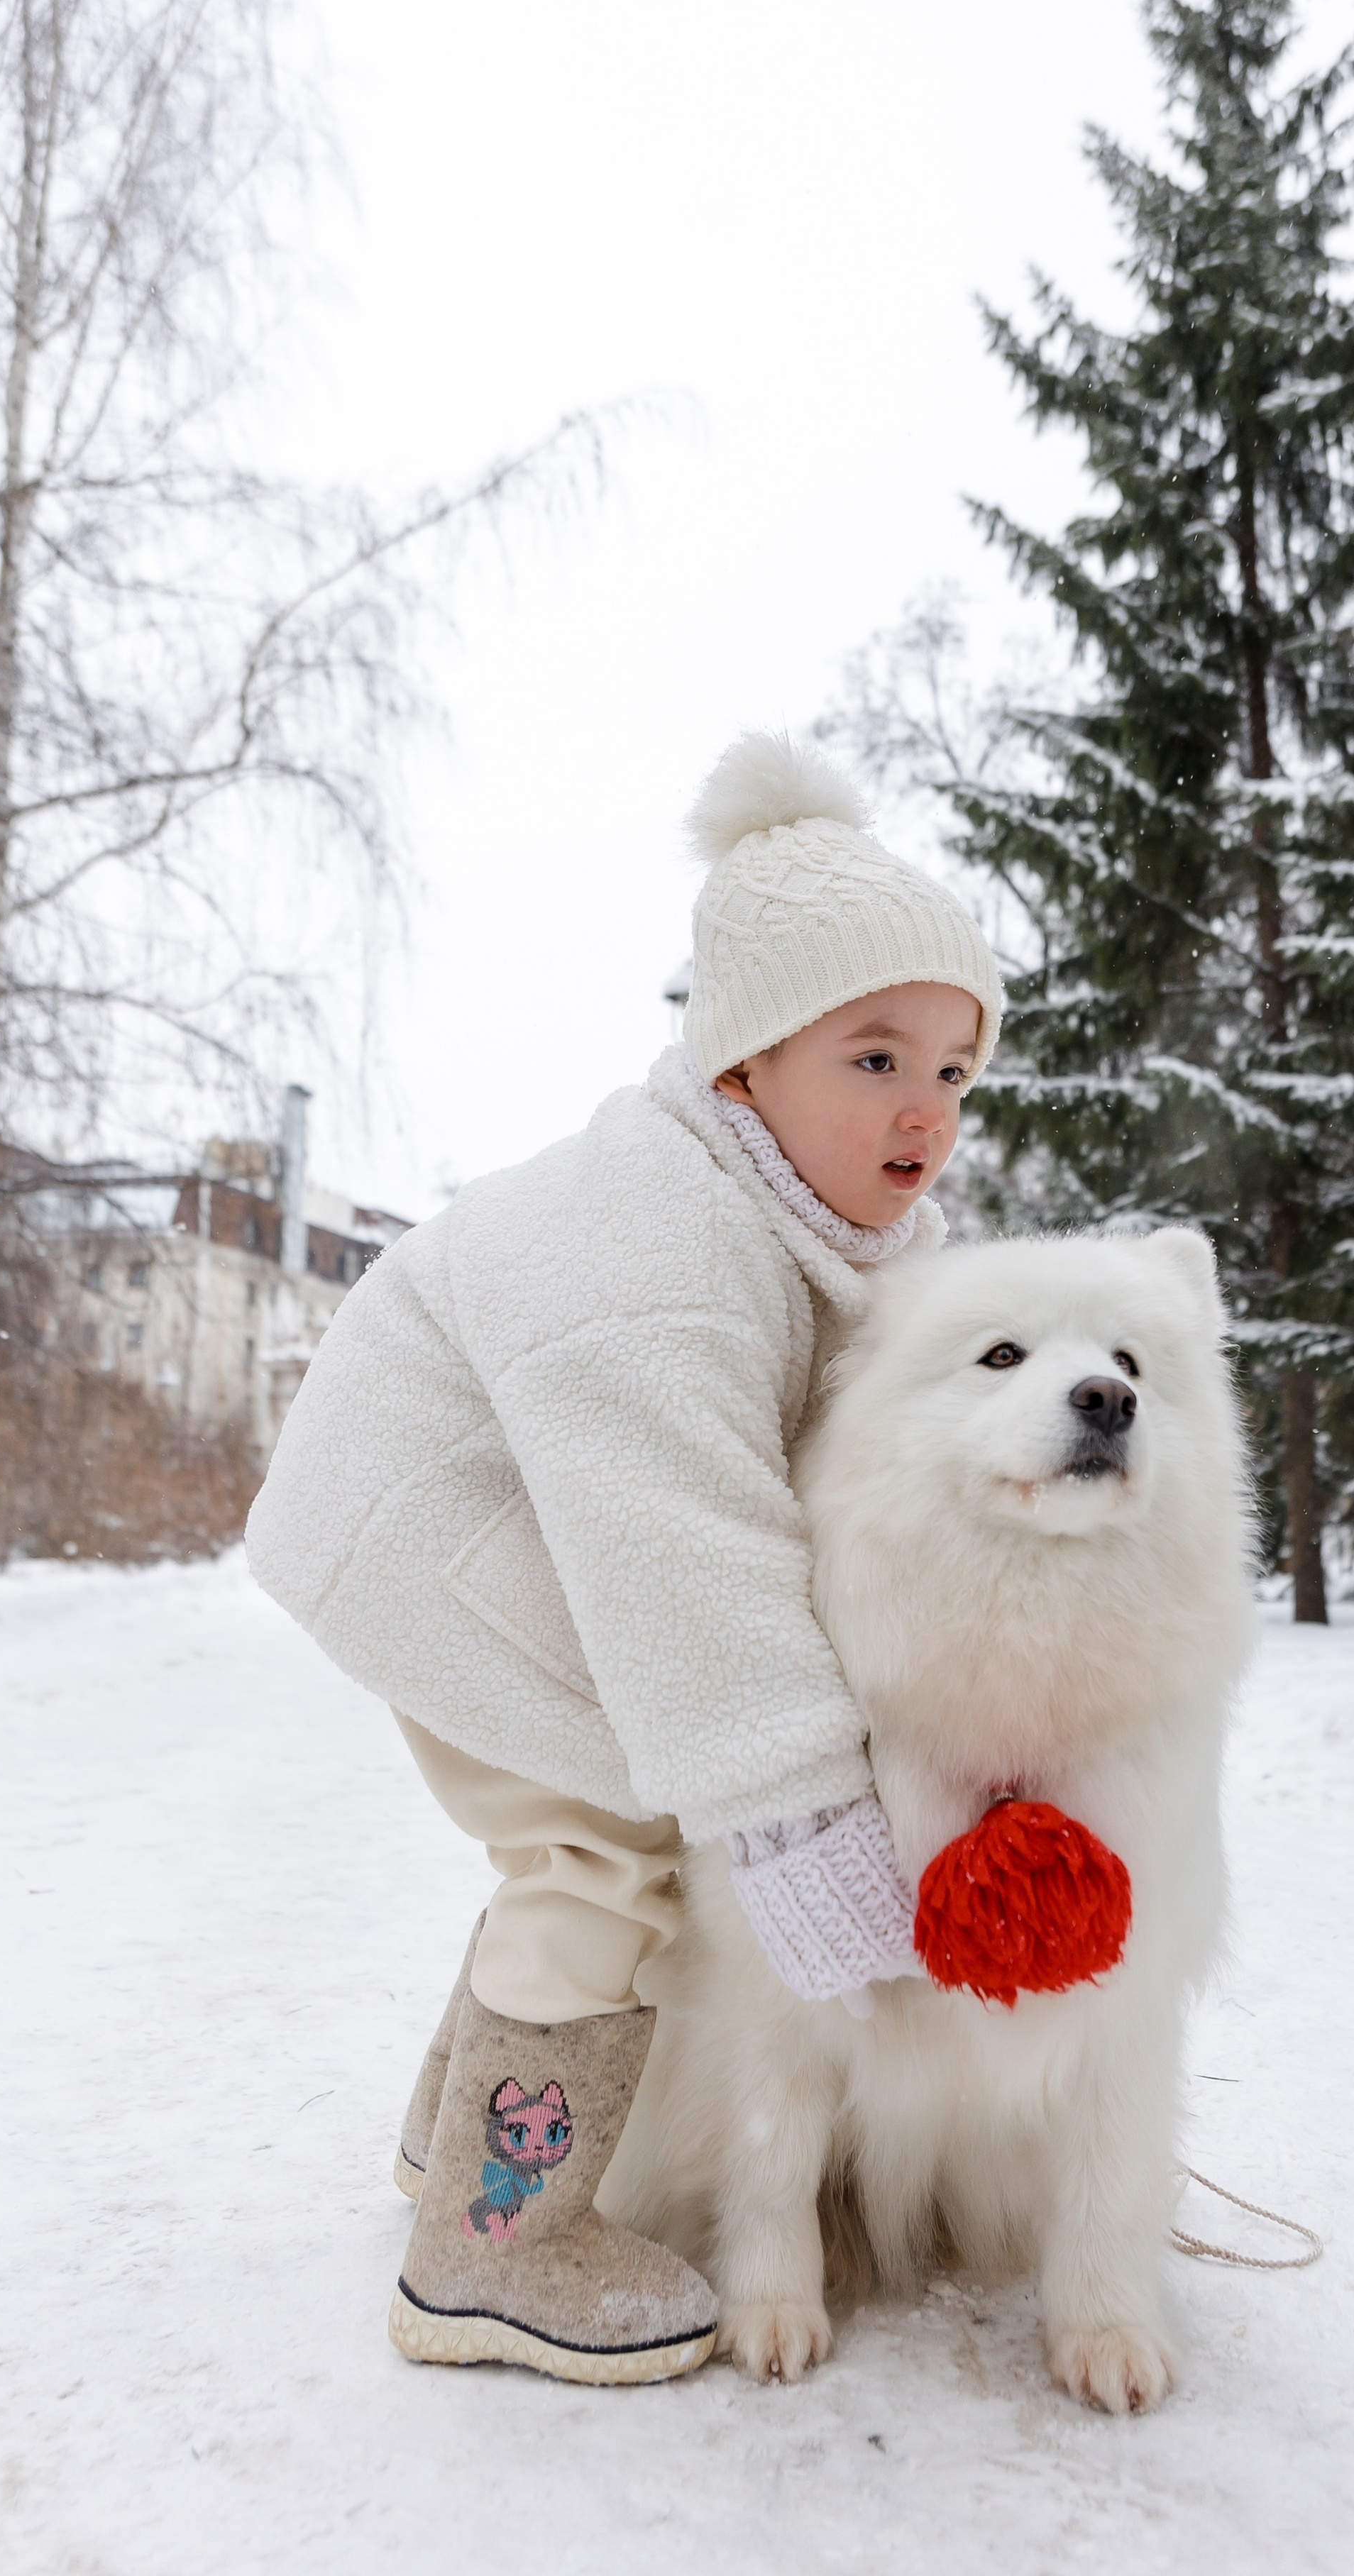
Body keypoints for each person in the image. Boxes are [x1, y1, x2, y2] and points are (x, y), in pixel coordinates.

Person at [246, 731, 1003, 2384]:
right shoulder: (655, 1234)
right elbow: (685, 1550)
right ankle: (487, 2253)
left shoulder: (806, 1223)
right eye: (873, 1059)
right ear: (742, 1065)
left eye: (954, 1070)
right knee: (602, 1846)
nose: (924, 1113)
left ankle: (455, 2158)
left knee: (592, 1824)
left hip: (486, 1520)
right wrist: (809, 1820)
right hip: (425, 1532)